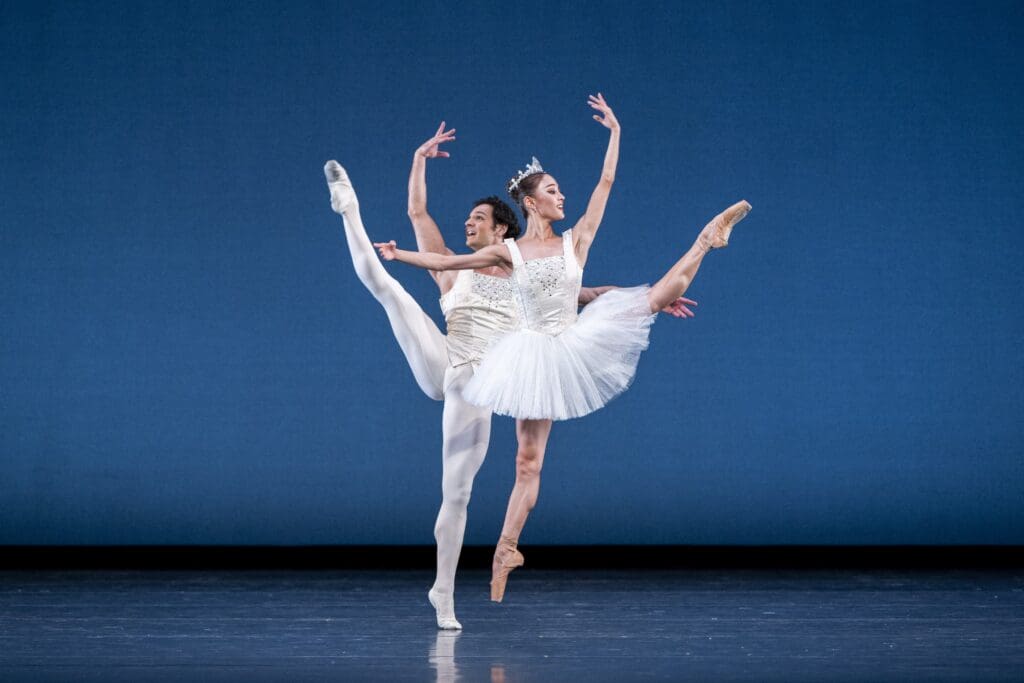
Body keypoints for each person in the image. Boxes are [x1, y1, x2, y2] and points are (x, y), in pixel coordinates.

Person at [374, 94, 751, 601]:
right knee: (526, 464)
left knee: (658, 295)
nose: (562, 196)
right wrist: (399, 255)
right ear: (531, 203)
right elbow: (444, 262)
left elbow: (605, 189)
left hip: (572, 342)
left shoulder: (576, 240)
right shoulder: (507, 252)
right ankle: (506, 549)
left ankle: (707, 239)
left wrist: (615, 133)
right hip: (531, 355)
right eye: (552, 190)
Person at [325, 123, 695, 627]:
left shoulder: (525, 273)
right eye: (468, 218)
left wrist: (651, 299)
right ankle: (348, 209)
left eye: (477, 218)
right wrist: (418, 160)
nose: (467, 222)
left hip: (479, 384)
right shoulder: (452, 266)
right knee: (389, 289)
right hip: (445, 357)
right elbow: (417, 214)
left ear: (501, 228)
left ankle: (443, 593)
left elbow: (585, 295)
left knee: (458, 492)